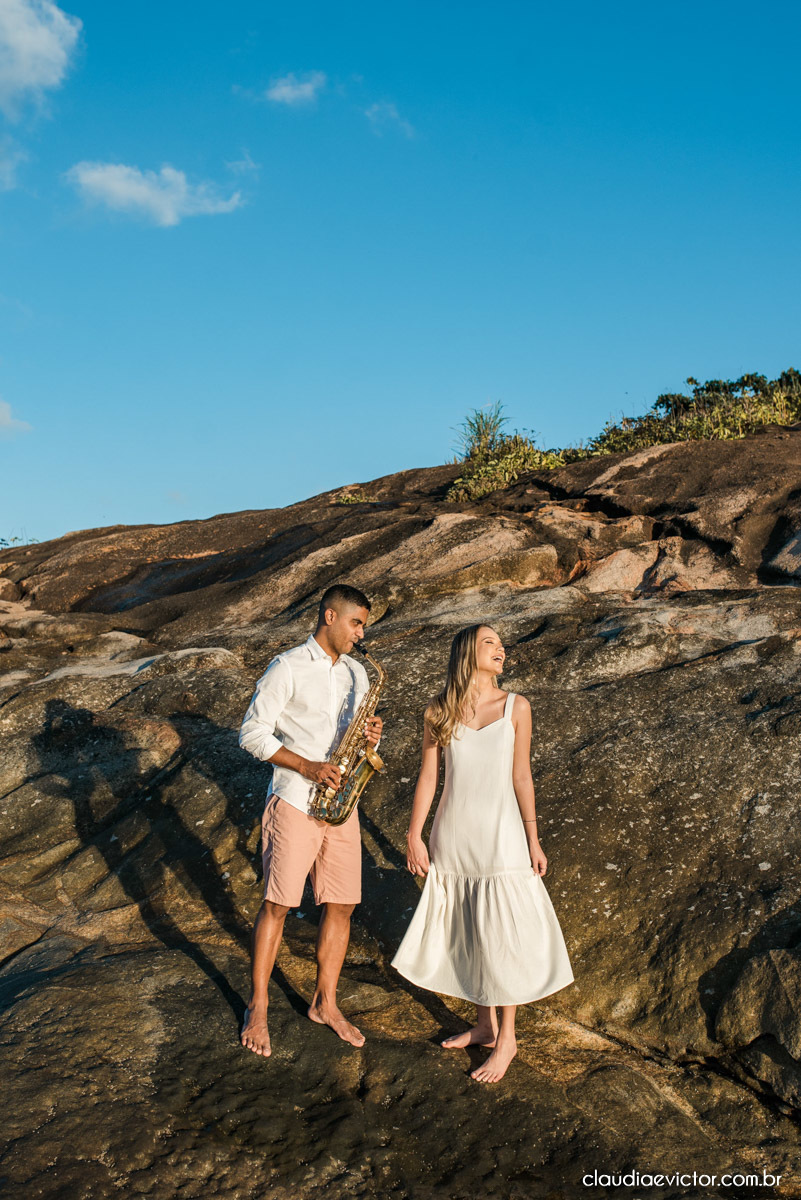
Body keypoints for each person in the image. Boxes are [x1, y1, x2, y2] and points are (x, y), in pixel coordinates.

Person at [392, 624, 573, 1083]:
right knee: (470, 924)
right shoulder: (439, 710)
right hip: (453, 832)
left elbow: (522, 777)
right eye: (491, 642)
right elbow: (429, 778)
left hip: (501, 834)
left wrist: (533, 839)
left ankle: (508, 1038)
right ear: (467, 651)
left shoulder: (517, 706)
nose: (502, 649)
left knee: (500, 929)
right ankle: (485, 1025)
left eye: (501, 643)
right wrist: (415, 834)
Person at [238, 583, 383, 1058]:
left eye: (364, 625)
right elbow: (252, 733)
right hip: (297, 799)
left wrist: (370, 741)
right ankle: (257, 1006)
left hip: (341, 803)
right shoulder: (287, 666)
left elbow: (363, 746)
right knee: (278, 904)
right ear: (329, 616)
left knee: (341, 905)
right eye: (356, 623)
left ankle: (325, 1002)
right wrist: (306, 765)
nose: (361, 633)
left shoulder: (359, 674)